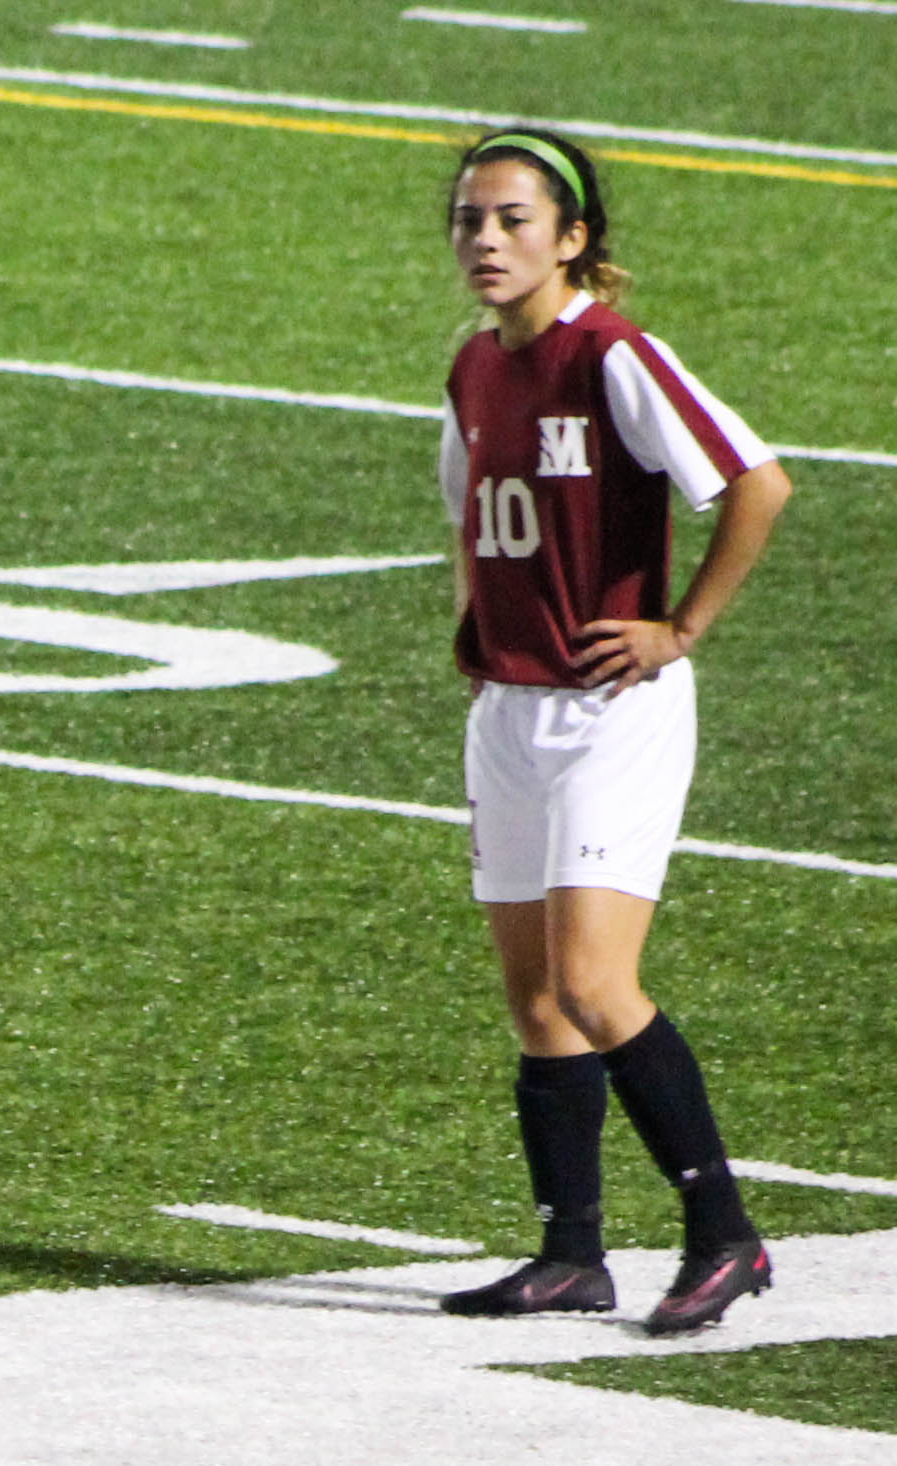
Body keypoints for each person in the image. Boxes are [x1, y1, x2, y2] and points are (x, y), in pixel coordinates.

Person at [429, 126, 792, 1333]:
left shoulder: (616, 354)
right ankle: (572, 1251)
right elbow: (473, 513)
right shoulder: (476, 367)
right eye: (471, 219)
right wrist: (485, 628)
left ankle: (724, 1232)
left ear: (573, 238)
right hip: (511, 709)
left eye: (514, 219)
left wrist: (679, 628)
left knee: (594, 981)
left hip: (611, 712)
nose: (486, 240)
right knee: (535, 998)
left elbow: (757, 481)